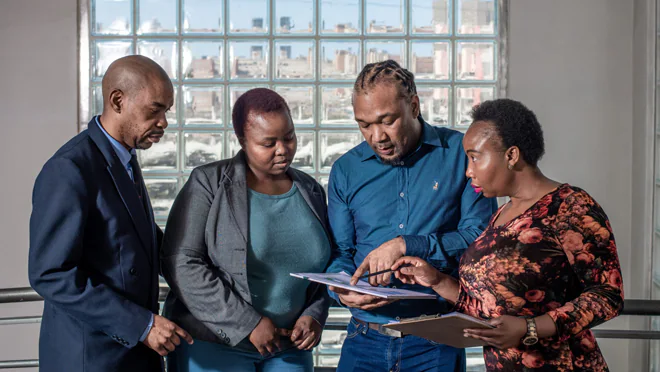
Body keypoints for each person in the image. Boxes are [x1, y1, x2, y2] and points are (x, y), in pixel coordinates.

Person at [391, 98, 624, 371]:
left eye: (475, 157)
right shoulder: (499, 217)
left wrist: (531, 328)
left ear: (511, 156)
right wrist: (436, 280)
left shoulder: (570, 205)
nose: (468, 171)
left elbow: (608, 295)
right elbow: (491, 312)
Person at [325, 60, 497, 372]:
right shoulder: (345, 171)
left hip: (436, 338)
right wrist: (339, 290)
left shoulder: (460, 153)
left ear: (414, 106)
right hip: (364, 338)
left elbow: (481, 238)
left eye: (386, 121)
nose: (377, 137)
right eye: (364, 124)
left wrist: (409, 244)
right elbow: (341, 253)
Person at [28, 55, 193, 372]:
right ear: (118, 100)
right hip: (90, 357)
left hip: (132, 354)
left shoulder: (125, 157)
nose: (163, 122)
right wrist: (143, 326)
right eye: (154, 110)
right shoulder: (69, 169)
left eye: (166, 111)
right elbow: (50, 274)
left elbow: (138, 241)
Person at [161, 88, 332, 372]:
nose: (283, 149)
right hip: (215, 346)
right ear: (242, 140)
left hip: (289, 346)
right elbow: (181, 263)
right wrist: (247, 324)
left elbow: (326, 267)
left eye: (289, 137)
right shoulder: (208, 183)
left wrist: (315, 315)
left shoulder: (310, 189)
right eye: (268, 143)